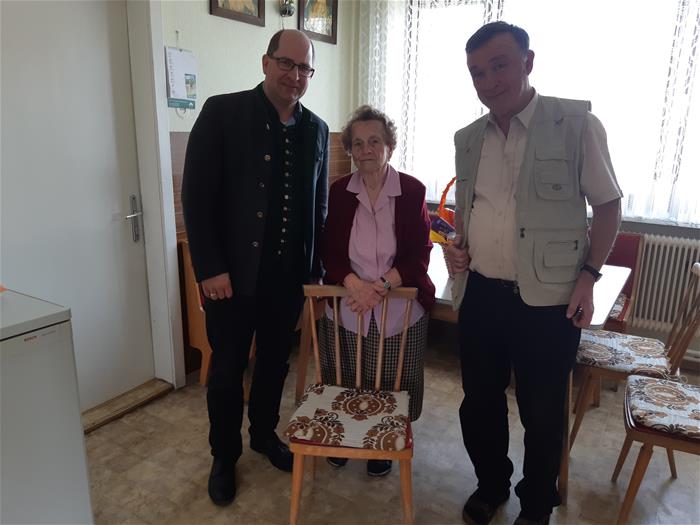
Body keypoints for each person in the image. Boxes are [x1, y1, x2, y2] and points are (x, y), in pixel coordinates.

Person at [445, 21, 622, 525]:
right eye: (477, 72)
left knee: (542, 410)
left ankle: (538, 502)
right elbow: (471, 209)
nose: (488, 81)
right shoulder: (468, 138)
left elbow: (608, 205)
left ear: (528, 61)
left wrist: (589, 276)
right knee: (479, 403)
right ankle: (491, 485)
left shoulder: (576, 124)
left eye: (499, 65)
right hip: (481, 294)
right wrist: (459, 250)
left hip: (549, 300)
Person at [181, 29, 329, 506]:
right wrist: (210, 267)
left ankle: (264, 435)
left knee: (274, 363)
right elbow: (196, 197)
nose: (295, 75)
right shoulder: (222, 113)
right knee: (227, 371)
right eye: (287, 63)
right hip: (230, 278)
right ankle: (224, 456)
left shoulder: (317, 129)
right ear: (266, 62)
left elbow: (319, 207)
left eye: (304, 68)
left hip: (287, 278)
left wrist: (315, 271)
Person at [320, 105, 435, 477]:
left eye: (374, 141)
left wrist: (381, 287)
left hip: (398, 306)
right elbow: (330, 252)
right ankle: (341, 435)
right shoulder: (339, 191)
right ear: (350, 150)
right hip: (349, 302)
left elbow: (420, 254)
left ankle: (384, 441)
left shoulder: (412, 191)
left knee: (391, 381)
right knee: (344, 376)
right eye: (358, 143)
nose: (366, 150)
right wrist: (355, 285)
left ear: (390, 146)